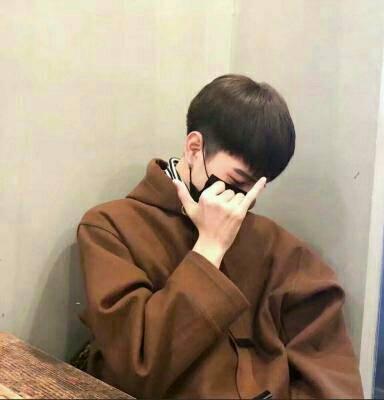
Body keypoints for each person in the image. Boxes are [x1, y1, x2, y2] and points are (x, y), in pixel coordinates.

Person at [76, 74, 364, 399]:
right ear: (194, 148)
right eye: (237, 181)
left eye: (256, 189)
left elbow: (332, 375)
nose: (243, 200)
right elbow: (135, 370)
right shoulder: (112, 228)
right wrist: (209, 250)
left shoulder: (282, 251)